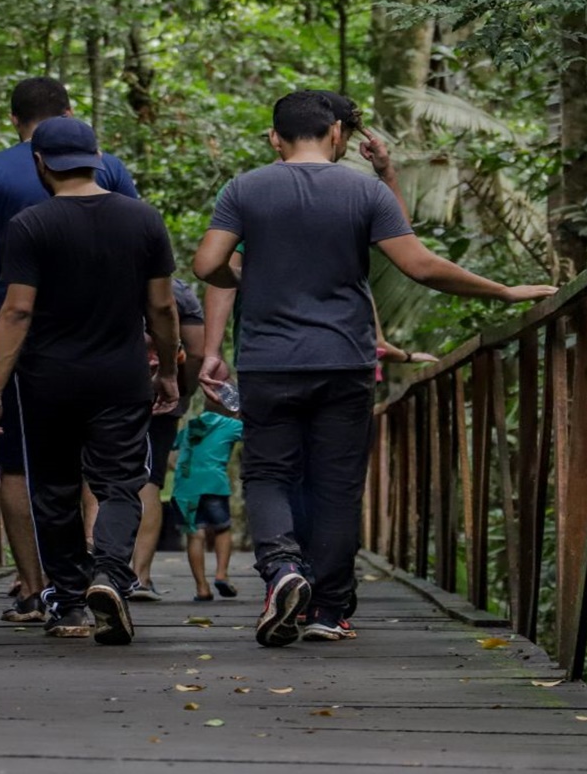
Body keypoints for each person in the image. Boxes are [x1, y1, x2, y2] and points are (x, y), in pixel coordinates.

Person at [192, 90, 556, 647]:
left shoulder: (245, 189)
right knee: (336, 487)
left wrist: (253, 291)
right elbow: (418, 264)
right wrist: (503, 291)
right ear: (337, 134)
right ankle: (329, 611)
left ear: (275, 137)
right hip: (346, 361)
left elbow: (209, 264)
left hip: (270, 362)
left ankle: (284, 568)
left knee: (268, 474)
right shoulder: (364, 190)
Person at [0, 116, 180, 645]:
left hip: (48, 381)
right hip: (121, 376)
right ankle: (110, 574)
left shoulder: (30, 225)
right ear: (98, 157)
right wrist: (171, 372)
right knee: (119, 483)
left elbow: (16, 312)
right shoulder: (143, 219)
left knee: (55, 490)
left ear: (41, 163)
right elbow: (161, 305)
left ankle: (67, 604)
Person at [0, 77, 140, 624]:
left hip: (24, 335)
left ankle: (36, 588)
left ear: (15, 122)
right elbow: (137, 248)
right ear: (71, 115)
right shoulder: (110, 168)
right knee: (100, 465)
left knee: (17, 462)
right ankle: (99, 573)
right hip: (106, 334)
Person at [129, 278, 205, 601]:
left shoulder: (99, 272)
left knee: (98, 475)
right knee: (150, 479)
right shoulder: (179, 292)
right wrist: (182, 390)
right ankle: (139, 576)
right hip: (162, 395)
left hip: (107, 388)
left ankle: (100, 569)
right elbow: (198, 351)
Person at [172, 396, 243, 601]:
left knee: (195, 535)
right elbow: (256, 434)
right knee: (222, 528)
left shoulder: (193, 424)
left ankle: (202, 588)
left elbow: (175, 444)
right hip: (214, 485)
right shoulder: (231, 425)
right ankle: (221, 574)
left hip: (185, 488)